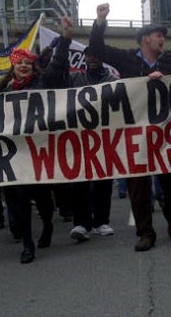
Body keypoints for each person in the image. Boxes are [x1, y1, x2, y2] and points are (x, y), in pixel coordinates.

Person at [88, 3, 171, 251]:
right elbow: (96, 48)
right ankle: (145, 233)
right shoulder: (128, 60)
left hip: (165, 136)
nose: (162, 39)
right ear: (145, 40)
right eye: (158, 35)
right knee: (138, 187)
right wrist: (100, 21)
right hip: (136, 134)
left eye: (163, 35)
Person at [0, 16, 73, 263]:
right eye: (20, 64)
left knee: (42, 200)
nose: (25, 67)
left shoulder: (43, 83)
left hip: (39, 151)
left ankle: (48, 224)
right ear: (14, 68)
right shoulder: (3, 93)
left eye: (28, 63)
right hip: (16, 155)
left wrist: (65, 38)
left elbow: (58, 64)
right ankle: (27, 245)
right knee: (19, 201)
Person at [44, 46, 118, 241]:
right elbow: (55, 81)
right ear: (84, 59)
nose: (92, 58)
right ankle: (81, 223)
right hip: (79, 138)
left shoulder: (112, 81)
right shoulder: (75, 79)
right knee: (80, 181)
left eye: (95, 54)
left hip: (104, 137)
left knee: (104, 179)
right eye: (89, 55)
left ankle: (101, 221)